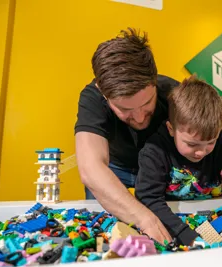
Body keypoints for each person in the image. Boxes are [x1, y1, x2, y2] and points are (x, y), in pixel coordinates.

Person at [74, 28, 179, 243]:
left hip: (158, 168)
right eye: (125, 109)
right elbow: (91, 168)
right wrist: (144, 218)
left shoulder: (174, 92)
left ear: (154, 81)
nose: (140, 118)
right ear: (104, 93)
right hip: (113, 169)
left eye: (147, 103)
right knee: (103, 230)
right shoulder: (92, 97)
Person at [135, 76, 222, 246]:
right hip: (171, 220)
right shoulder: (154, 151)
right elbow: (148, 198)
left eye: (211, 142)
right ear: (171, 129)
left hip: (211, 213)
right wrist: (183, 235)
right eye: (192, 144)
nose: (201, 152)